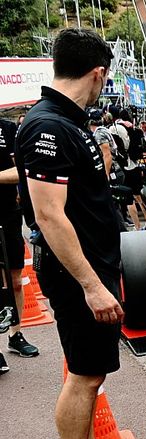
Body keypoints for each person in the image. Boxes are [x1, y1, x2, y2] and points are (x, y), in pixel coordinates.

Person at [15, 28, 142, 439]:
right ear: (98, 73)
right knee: (85, 377)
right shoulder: (47, 126)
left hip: (91, 268)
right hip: (77, 275)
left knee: (90, 370)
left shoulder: (66, 120)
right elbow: (49, 216)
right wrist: (91, 285)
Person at [1, 116, 40, 372]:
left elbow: (21, 170)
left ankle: (15, 335)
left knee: (16, 279)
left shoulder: (7, 128)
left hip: (8, 213)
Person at [107, 107, 146, 230]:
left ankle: (137, 226)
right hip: (135, 164)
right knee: (139, 196)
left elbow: (117, 148)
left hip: (124, 165)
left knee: (129, 198)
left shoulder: (115, 128)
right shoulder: (133, 127)